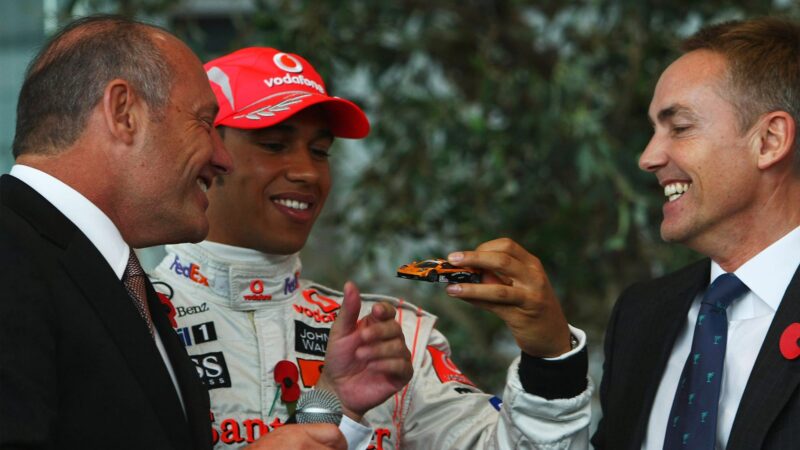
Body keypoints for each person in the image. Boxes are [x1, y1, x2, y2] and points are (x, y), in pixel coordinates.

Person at [150, 46, 593, 450]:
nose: (306, 172)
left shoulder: (388, 337)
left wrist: (551, 357)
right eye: (274, 145)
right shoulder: (128, 315)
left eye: (320, 151)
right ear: (208, 151)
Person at [0, 15, 358, 450]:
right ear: (123, 113)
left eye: (320, 152)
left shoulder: (123, 282)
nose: (223, 158)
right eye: (206, 123)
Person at [591, 17, 800, 450]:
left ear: (770, 140)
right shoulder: (641, 316)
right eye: (653, 131)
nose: (648, 157)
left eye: (680, 127)